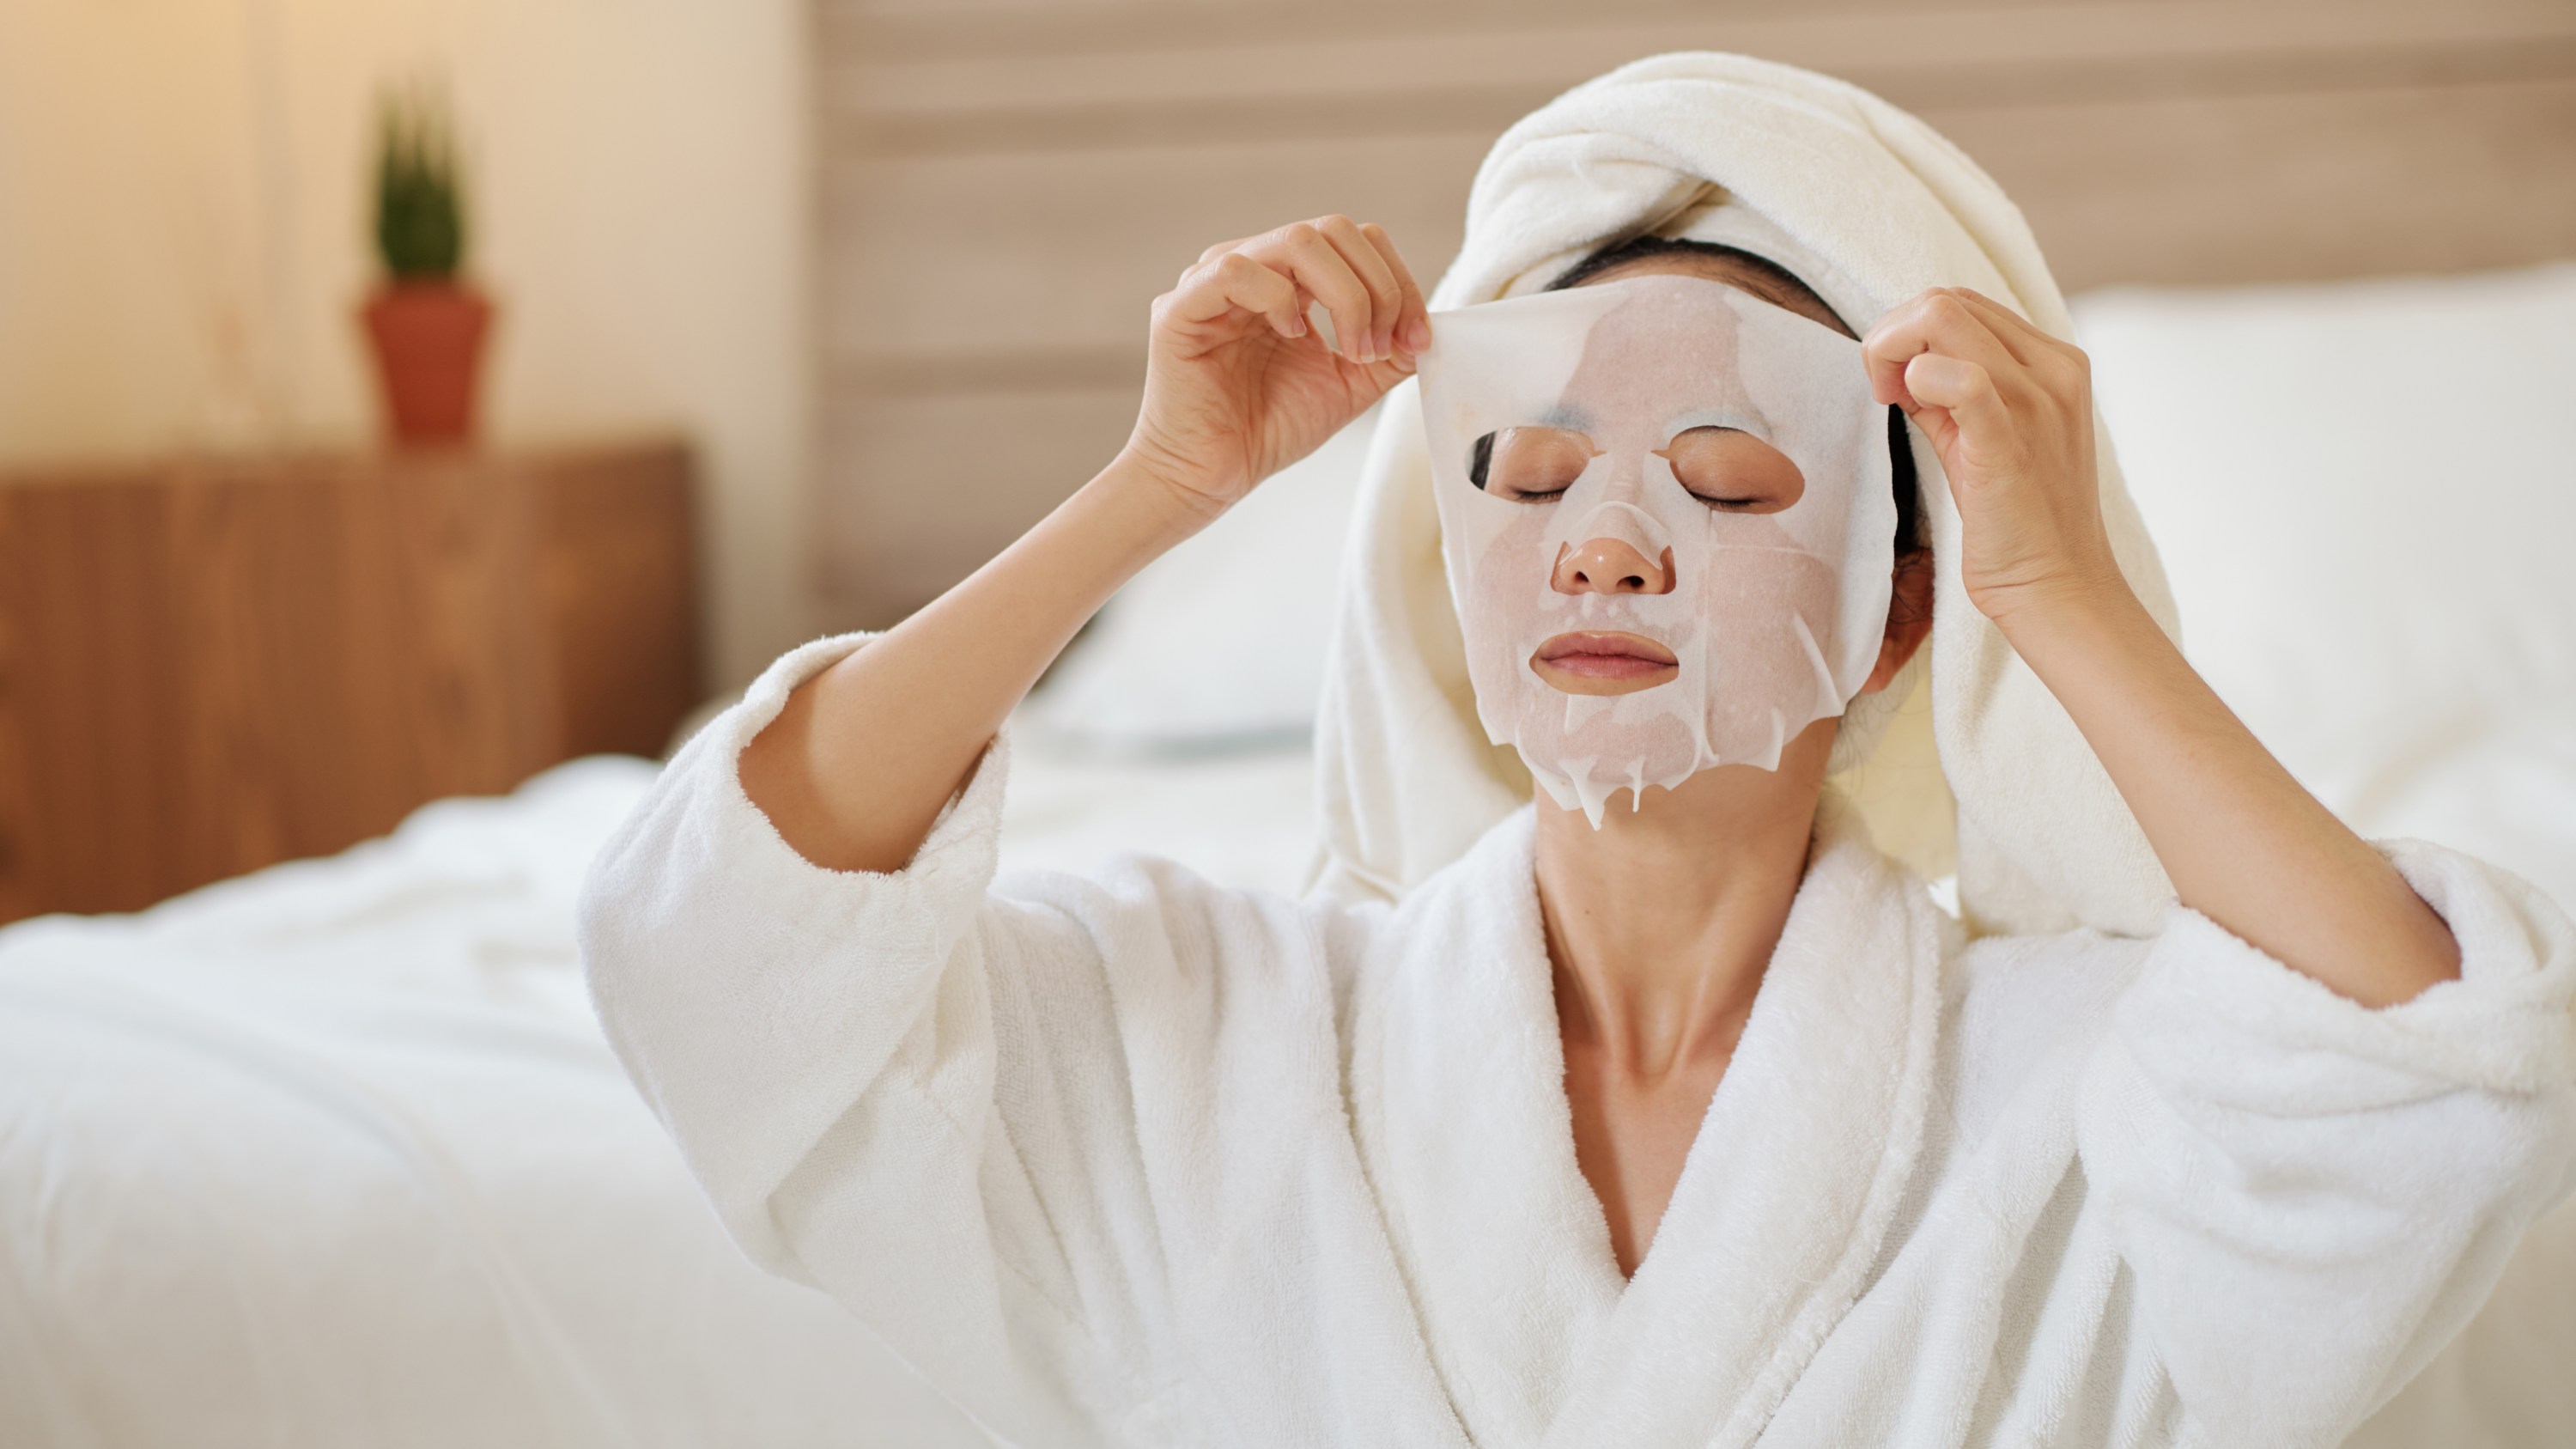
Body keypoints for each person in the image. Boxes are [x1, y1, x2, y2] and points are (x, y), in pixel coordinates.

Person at [582, 54, 2575, 1449]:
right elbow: (728, 952)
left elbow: (2421, 1079)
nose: (1604, 540)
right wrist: (1159, 487)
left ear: (1894, 608)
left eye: (1720, 481)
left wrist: (2059, 593)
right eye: (1530, 480)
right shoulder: (1221, 1035)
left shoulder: (2079, 1082)